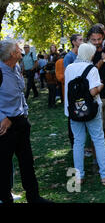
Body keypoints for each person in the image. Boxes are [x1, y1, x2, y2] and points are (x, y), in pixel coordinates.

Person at [0, 39, 52, 203]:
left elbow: (20, 93)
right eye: (17, 49)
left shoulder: (16, 67)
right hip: (5, 126)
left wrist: (25, 112)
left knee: (27, 162)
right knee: (4, 166)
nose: (21, 50)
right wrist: (3, 118)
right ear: (12, 54)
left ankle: (34, 197)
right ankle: (5, 198)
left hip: (21, 121)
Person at [64, 43, 105, 185]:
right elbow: (93, 92)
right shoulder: (92, 69)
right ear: (90, 55)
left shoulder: (69, 68)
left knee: (78, 143)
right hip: (91, 110)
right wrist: (100, 85)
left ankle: (79, 176)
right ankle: (104, 175)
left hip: (74, 110)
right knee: (98, 140)